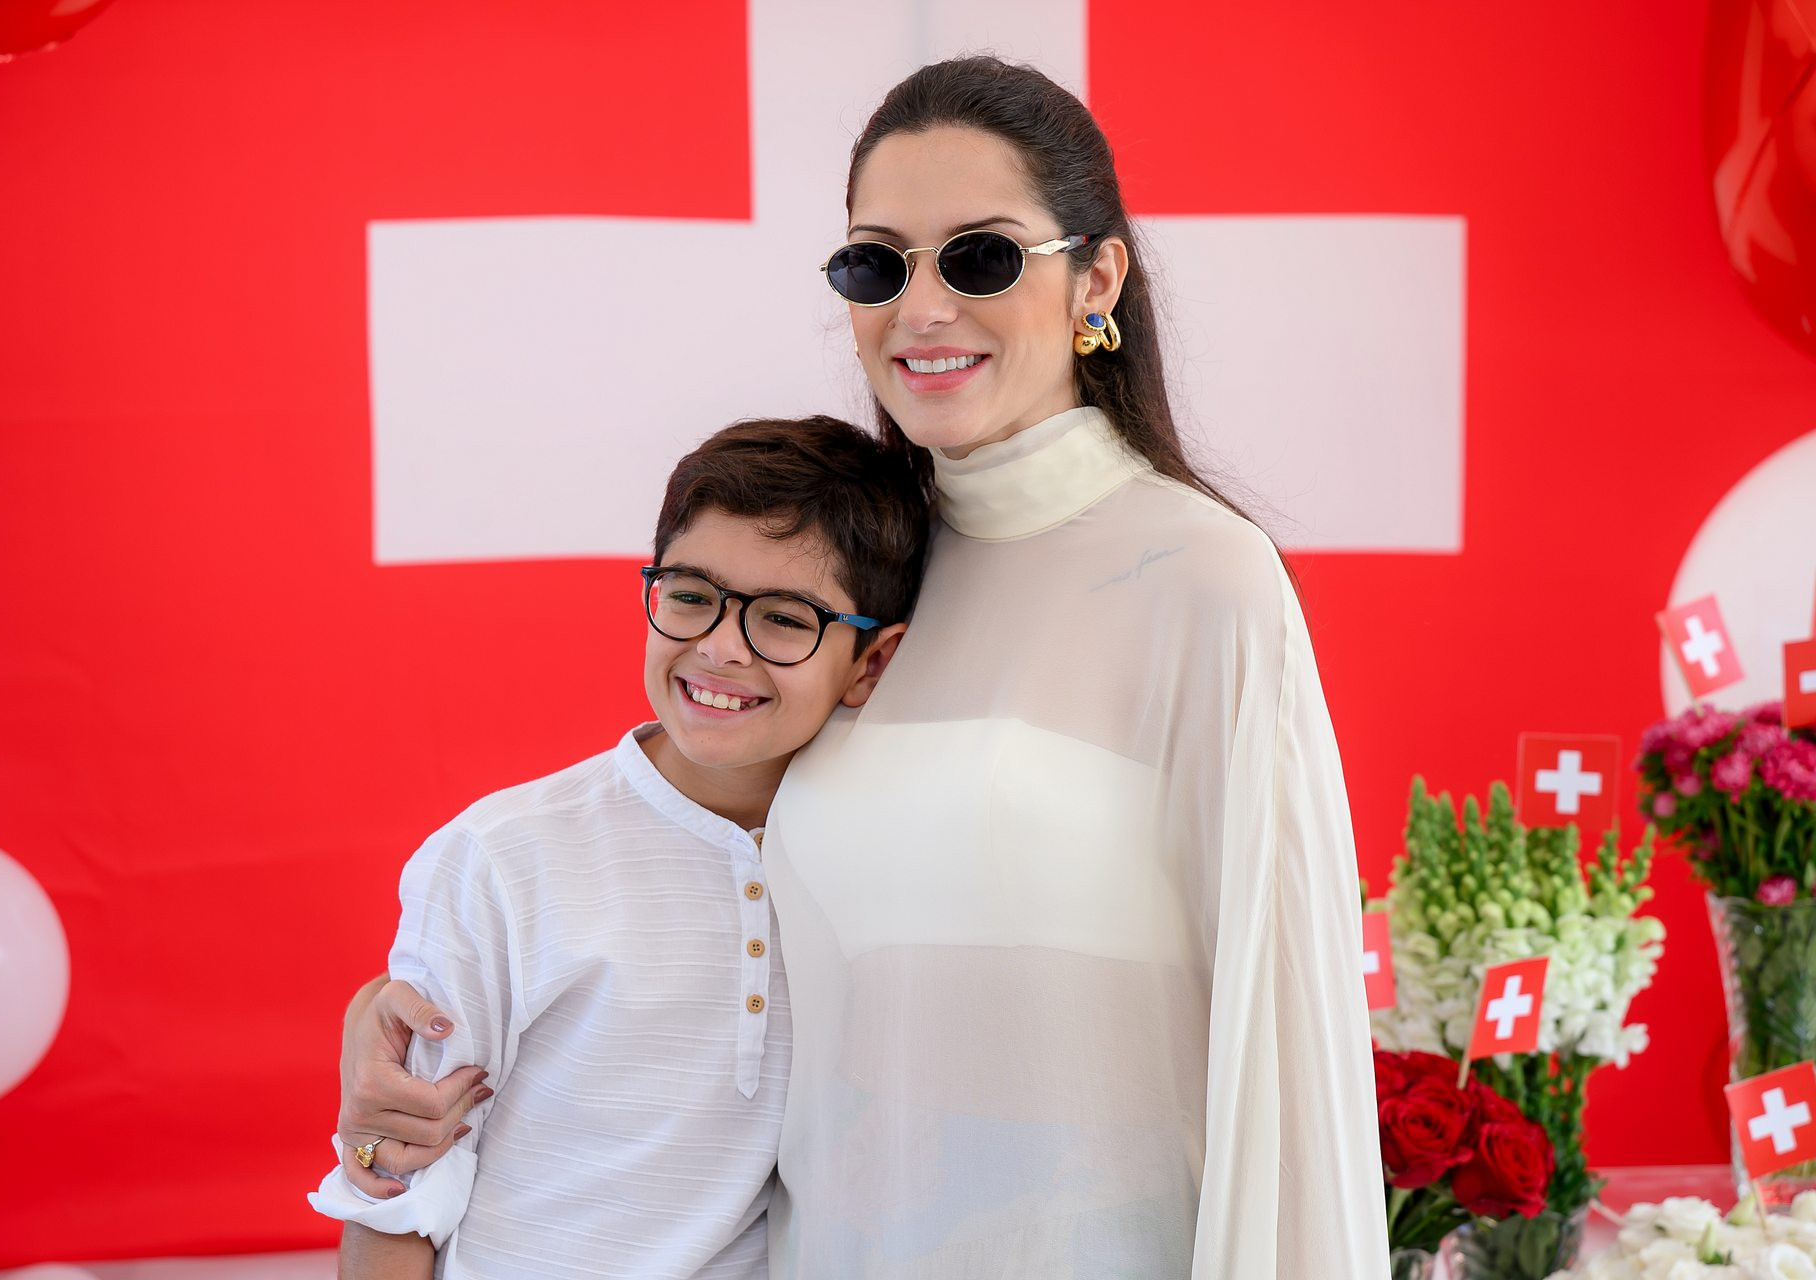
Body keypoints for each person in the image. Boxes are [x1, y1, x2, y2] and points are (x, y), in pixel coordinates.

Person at [335, 56, 1388, 1278]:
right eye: (878, 265)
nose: (921, 307)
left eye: (980, 257)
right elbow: (682, 869)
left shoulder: (1203, 579)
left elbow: (1285, 1039)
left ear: (1097, 279)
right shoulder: (861, 566)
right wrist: (407, 1014)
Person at [310, 417, 929, 1279]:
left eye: (785, 619)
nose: (719, 646)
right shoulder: (500, 858)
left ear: (872, 663)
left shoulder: (890, 866)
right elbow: (395, 1187)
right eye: (690, 594)